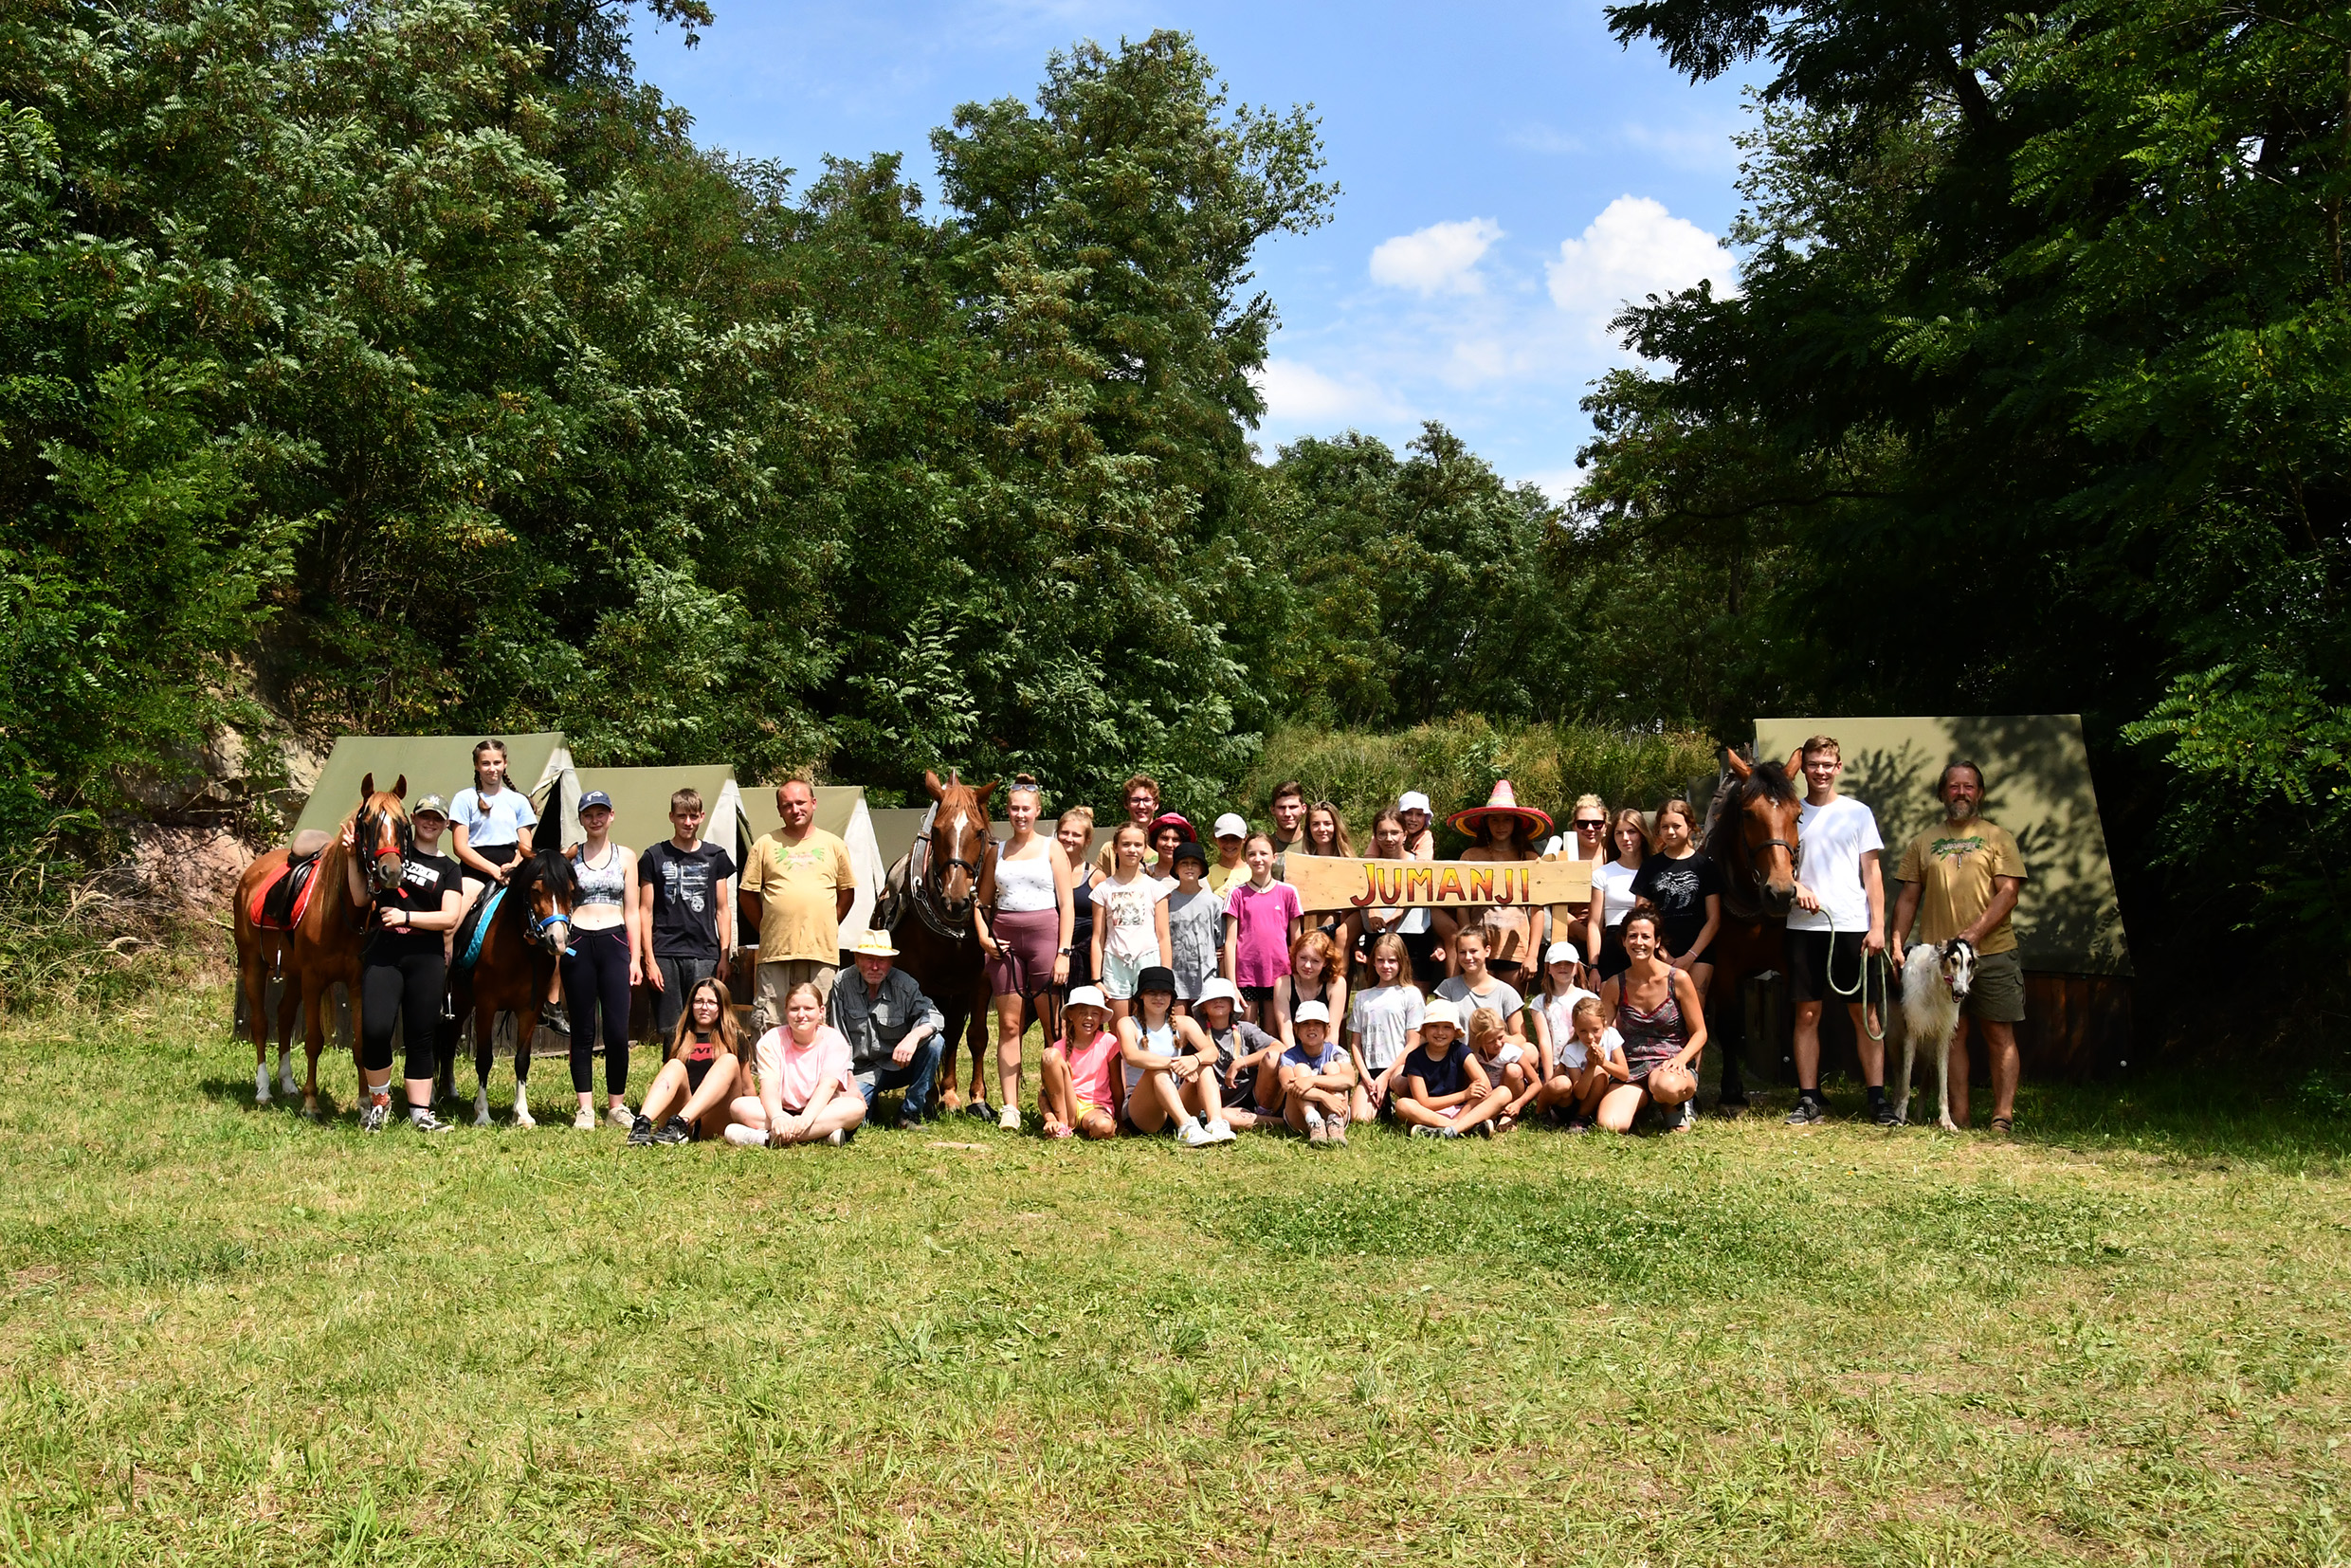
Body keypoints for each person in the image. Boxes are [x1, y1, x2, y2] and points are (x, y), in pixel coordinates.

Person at [1891, 761, 2028, 1133]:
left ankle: (2002, 1116)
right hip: (1941, 961)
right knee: (1951, 1036)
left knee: (1999, 1033)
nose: (1961, 793)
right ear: (1942, 793)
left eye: (1969, 786)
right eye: (1954, 786)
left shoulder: (1998, 837)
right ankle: (1959, 1116)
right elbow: (1908, 898)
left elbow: (2009, 894)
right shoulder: (1923, 842)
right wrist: (1896, 943)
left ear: (1980, 793)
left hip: (1993, 953)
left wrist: (1973, 935)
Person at [1783, 736, 1891, 1127]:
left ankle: (1877, 1099)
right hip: (1804, 926)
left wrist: (1878, 926)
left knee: (1866, 1015)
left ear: (1838, 768)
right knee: (1807, 1014)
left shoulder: (1858, 813)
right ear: (1804, 769)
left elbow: (1872, 871)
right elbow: (1775, 865)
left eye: (1827, 764)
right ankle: (1809, 1098)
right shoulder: (1792, 813)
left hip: (1853, 926)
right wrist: (1795, 886)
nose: (1820, 771)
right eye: (1813, 764)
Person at [343, 795, 464, 1133]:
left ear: (446, 825)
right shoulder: (393, 857)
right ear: (412, 819)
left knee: (421, 1035)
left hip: (426, 956)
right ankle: (379, 1104)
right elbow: (360, 898)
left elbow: (449, 917)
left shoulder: (450, 869)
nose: (430, 823)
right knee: (375, 1030)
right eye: (425, 816)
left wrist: (406, 916)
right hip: (385, 951)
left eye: (437, 818)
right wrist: (352, 857)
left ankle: (420, 1112)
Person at [975, 775, 1076, 1130]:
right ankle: (1010, 1108)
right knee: (1009, 1024)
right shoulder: (996, 851)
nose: (1020, 815)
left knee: (1053, 1027)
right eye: (1015, 809)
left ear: (1037, 811)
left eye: (1026, 809)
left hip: (1045, 937)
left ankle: (1060, 1102)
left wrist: (1063, 952)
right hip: (1004, 942)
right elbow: (981, 904)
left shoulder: (1052, 848)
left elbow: (1067, 904)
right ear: (1008, 811)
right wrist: (984, 937)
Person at [449, 738, 557, 1028]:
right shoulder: (464, 799)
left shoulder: (518, 801)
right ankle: (443, 988)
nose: (492, 768)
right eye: (485, 763)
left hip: (514, 871)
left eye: (497, 762)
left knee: (549, 920)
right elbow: (460, 846)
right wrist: (492, 869)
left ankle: (549, 1001)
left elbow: (526, 844)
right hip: (475, 873)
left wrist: (515, 864)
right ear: (477, 766)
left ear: (505, 764)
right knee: (451, 923)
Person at [739, 779, 856, 1033]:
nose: (795, 809)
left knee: (818, 1020)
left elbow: (847, 893)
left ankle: (816, 1061)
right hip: (776, 951)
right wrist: (768, 927)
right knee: (772, 1019)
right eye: (787, 805)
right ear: (779, 810)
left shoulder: (833, 845)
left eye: (801, 802)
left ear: (813, 803)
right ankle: (770, 1061)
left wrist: (826, 922)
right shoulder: (765, 844)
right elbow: (747, 895)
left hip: (821, 952)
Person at [560, 790, 644, 1132]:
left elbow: (633, 910)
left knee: (616, 1030)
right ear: (581, 819)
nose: (595, 820)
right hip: (578, 942)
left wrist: (635, 958)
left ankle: (616, 1106)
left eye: (600, 813)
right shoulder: (570, 856)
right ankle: (585, 1109)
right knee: (582, 1029)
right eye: (588, 815)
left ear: (611, 816)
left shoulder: (626, 856)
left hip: (615, 942)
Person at [1595, 903, 1708, 1133]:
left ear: (1657, 942)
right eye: (1632, 936)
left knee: (1666, 1086)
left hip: (1670, 1065)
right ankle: (1645, 1103)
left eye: (1646, 936)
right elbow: (1602, 1031)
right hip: (1631, 1067)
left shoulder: (1678, 979)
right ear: (1623, 941)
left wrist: (1681, 1060)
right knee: (1610, 1125)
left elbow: (1700, 1032)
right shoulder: (1616, 984)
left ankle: (1674, 1105)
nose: (1638, 942)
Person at [636, 787, 736, 1041]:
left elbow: (723, 910)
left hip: (705, 952)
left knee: (705, 1022)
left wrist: (724, 956)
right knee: (671, 1030)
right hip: (665, 952)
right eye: (682, 816)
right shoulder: (654, 856)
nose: (688, 822)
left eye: (693, 816)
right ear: (672, 816)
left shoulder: (716, 856)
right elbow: (644, 911)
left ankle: (703, 1068)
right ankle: (673, 1067)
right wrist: (649, 960)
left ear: (702, 816)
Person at [723, 981, 865, 1147]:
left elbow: (828, 1086)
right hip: (781, 1109)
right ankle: (821, 1135)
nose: (801, 1015)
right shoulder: (771, 1039)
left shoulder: (834, 1040)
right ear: (786, 1011)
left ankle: (767, 1139)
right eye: (794, 1009)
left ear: (821, 1011)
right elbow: (769, 1086)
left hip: (821, 1110)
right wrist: (777, 1117)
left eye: (808, 1008)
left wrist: (806, 1119)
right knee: (739, 1106)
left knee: (855, 1108)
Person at [828, 929, 942, 1128]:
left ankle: (910, 1113)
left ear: (891, 962)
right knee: (853, 1121)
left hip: (898, 1065)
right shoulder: (842, 983)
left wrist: (913, 1037)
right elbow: (838, 1039)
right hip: (860, 1071)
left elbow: (934, 1016)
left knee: (935, 1042)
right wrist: (849, 1082)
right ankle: (870, 1104)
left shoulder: (905, 984)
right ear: (857, 959)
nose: (875, 967)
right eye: (869, 959)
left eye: (881, 960)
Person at [1116, 967, 1231, 1145]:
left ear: (1171, 997)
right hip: (1143, 1111)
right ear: (1141, 996)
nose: (1159, 998)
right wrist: (1174, 1064)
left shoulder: (1183, 1023)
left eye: (1165, 993)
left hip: (1177, 1099)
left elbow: (1212, 1052)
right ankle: (1186, 1127)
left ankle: (1215, 1123)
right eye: (1152, 992)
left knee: (1204, 1066)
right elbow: (1131, 1056)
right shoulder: (1128, 1023)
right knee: (1157, 1071)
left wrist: (1194, 1060)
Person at [1449, 780, 1549, 980]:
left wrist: (1532, 955)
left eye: (1506, 820)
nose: (1500, 826)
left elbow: (1538, 910)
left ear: (1515, 823)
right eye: (1494, 820)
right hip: (1479, 944)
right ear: (1486, 823)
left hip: (1517, 944)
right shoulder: (1470, 857)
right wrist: (1468, 942)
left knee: (1512, 999)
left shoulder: (1530, 858)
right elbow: (1462, 907)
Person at [629, 975, 742, 1145]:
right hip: (678, 1114)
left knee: (729, 1060)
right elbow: (666, 1083)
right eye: (698, 1001)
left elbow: (746, 1087)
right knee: (674, 1064)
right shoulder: (676, 1036)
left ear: (722, 1007)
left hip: (715, 1117)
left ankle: (681, 1122)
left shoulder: (734, 1037)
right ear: (691, 1005)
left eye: (712, 1002)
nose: (704, 1007)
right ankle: (642, 1125)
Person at [1630, 798, 1722, 1003]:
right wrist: (1664, 954)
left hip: (1699, 954)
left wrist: (1690, 957)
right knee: (1662, 1011)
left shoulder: (1705, 867)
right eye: (1665, 827)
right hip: (1659, 952)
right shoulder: (1650, 867)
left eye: (1676, 826)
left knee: (1693, 1011)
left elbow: (1714, 919)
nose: (1670, 832)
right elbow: (1641, 916)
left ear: (1690, 826)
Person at [1394, 999, 1508, 1138]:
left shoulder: (1460, 1051)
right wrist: (1464, 1095)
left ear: (1455, 1031)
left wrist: (1461, 1113)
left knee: (1503, 1092)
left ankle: (1448, 1129)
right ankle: (1462, 1127)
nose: (1440, 1032)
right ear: (1425, 1029)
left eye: (1447, 1027)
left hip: (1463, 1110)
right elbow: (1424, 1102)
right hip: (1431, 1113)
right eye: (1434, 1026)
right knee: (1402, 1105)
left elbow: (1485, 1085)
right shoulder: (1415, 1058)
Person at [1090, 822, 1171, 1017]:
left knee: (1146, 1025)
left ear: (1144, 849)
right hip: (1115, 961)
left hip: (1148, 960)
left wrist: (1166, 975)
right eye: (1126, 844)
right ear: (1115, 848)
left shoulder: (1155, 888)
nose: (1132, 850)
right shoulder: (1103, 889)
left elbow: (1163, 937)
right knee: (1119, 1026)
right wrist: (1096, 979)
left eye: (1137, 845)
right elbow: (1098, 937)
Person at [1343, 932, 1423, 1122]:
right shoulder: (1362, 997)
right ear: (1373, 961)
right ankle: (1385, 1105)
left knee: (1400, 1082)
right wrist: (1366, 1077)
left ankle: (1404, 1104)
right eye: (1380, 960)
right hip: (1371, 1069)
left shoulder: (1410, 994)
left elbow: (1414, 1042)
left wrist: (1387, 1075)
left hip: (1399, 1068)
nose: (1386, 966)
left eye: (1392, 961)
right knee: (1359, 1118)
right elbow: (1355, 1044)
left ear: (1402, 962)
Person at [1224, 832, 1302, 1024]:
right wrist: (1232, 984)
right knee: (1246, 1029)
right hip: (1246, 975)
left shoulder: (1288, 892)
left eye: (1263, 853)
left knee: (1273, 1031)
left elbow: (1297, 941)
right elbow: (1230, 943)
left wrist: (1298, 977)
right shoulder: (1236, 894)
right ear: (1245, 858)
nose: (1258, 859)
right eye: (1252, 854)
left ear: (1274, 857)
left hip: (1279, 975)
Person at [1528, 939, 1606, 1124]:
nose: (1563, 967)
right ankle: (1544, 1111)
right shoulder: (1540, 1002)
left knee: (1597, 1077)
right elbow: (1544, 1041)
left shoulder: (1589, 997)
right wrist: (1549, 1077)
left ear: (1577, 967)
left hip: (1585, 1063)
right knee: (1561, 1086)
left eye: (1568, 963)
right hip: (1558, 1066)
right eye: (1557, 964)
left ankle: (1582, 1117)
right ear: (1548, 968)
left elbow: (1601, 1034)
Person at [1193, 977, 1277, 1130]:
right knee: (1222, 1116)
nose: (1218, 1001)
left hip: (1250, 1096)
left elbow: (1280, 1048)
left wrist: (1240, 1063)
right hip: (1214, 1103)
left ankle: (1264, 1113)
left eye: (1224, 998)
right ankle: (1279, 1123)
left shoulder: (1245, 1029)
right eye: (1212, 998)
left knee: (1273, 1058)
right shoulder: (1196, 1031)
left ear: (1232, 1005)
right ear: (1203, 1007)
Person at [1038, 985, 1121, 1140]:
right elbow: (1045, 1091)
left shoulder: (1109, 1042)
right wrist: (1050, 1118)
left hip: (1097, 1106)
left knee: (1104, 1127)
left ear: (1101, 1017)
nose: (1089, 1018)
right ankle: (1062, 1124)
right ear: (1070, 1015)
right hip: (1069, 1105)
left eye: (1094, 1013)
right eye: (1083, 1013)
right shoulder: (1059, 1047)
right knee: (1050, 1055)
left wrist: (1121, 1122)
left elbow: (1116, 1083)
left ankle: (1078, 1125)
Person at [1538, 994, 1629, 1130]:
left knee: (1600, 1072)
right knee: (1561, 1083)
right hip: (1570, 1103)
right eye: (1583, 1031)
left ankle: (1581, 1119)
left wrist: (1603, 1063)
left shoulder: (1611, 1035)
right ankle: (1541, 1111)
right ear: (1574, 1027)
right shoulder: (1571, 1050)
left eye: (1595, 1030)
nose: (1590, 1037)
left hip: (1596, 1100)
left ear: (1604, 1023)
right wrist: (1590, 1066)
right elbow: (1579, 1094)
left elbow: (1624, 1074)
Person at [1275, 999, 1356, 1145]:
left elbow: (1349, 1080)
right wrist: (1324, 1096)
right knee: (1301, 1069)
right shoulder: (1289, 1056)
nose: (1311, 1028)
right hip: (1301, 1118)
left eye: (1317, 1023)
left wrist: (1311, 1080)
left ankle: (1335, 1123)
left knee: (1332, 1067)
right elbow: (1287, 1085)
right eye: (1305, 1024)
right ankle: (1314, 1122)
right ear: (1296, 1029)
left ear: (1327, 1029)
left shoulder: (1337, 1052)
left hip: (1335, 1109)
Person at [1162, 842, 1227, 1013]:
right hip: (1176, 977)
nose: (1189, 867)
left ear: (1202, 869)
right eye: (1184, 863)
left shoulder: (1214, 902)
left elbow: (1221, 944)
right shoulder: (1167, 901)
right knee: (1178, 1023)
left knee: (1205, 1024)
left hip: (1206, 977)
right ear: (1176, 868)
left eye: (1194, 863)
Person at [1586, 807, 1649, 981]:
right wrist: (1594, 967)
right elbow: (1594, 924)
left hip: (1647, 945)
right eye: (1619, 833)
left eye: (1631, 832)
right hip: (1613, 947)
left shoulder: (1655, 870)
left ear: (1642, 834)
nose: (1625, 838)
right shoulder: (1602, 874)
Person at [1434, 924, 1527, 1039]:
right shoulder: (1448, 988)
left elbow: (1520, 1037)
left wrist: (1494, 1040)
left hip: (1496, 1049)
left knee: (1529, 1049)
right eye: (1462, 952)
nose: (1468, 957)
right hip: (1458, 1049)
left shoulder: (1506, 992)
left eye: (1473, 951)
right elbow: (1437, 1027)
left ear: (1487, 951)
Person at [1272, 929, 1349, 1053]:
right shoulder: (1283, 984)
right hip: (1293, 1051)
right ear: (1295, 956)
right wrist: (1295, 1059)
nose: (1307, 965)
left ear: (1325, 962)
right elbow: (1286, 1032)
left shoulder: (1336, 984)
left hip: (1325, 1051)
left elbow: (1332, 1032)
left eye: (1315, 961)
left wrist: (1323, 1059)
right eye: (1303, 958)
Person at [1466, 1006, 1539, 1133]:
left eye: (1501, 1037)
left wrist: (1518, 1103)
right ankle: (1485, 1117)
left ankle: (1508, 1115)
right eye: (1491, 1041)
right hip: (1486, 1095)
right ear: (1478, 1040)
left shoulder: (1511, 1052)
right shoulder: (1473, 1054)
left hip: (1509, 1095)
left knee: (1513, 1070)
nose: (1498, 1044)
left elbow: (1536, 1084)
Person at [1293, 801, 1356, 944]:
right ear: (1309, 828)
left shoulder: (1350, 862)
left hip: (1337, 932)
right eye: (1315, 824)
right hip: (1305, 932)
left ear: (1336, 826)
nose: (1322, 829)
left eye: (1327, 823)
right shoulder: (1299, 863)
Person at [1057, 807, 1102, 990]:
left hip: (1085, 959)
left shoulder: (1096, 877)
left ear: (1087, 840)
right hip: (1050, 953)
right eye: (1064, 832)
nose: (1069, 838)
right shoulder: (1043, 873)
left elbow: (1103, 928)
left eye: (1076, 835)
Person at [1090, 774, 1162, 877]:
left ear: (1156, 804)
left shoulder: (1165, 846)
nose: (1141, 806)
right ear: (1126, 804)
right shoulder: (1110, 849)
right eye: (1135, 800)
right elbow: (1098, 883)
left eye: (1147, 800)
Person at [1267, 780, 1308, 878]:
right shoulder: (1265, 846)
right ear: (1273, 810)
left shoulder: (1314, 845)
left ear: (1303, 808)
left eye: (1293, 807)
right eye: (1281, 807)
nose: (1287, 814)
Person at [1206, 813, 1252, 895]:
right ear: (1215, 839)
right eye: (1223, 838)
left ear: (1245, 839)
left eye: (1235, 839)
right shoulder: (1208, 875)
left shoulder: (1253, 872)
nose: (1229, 844)